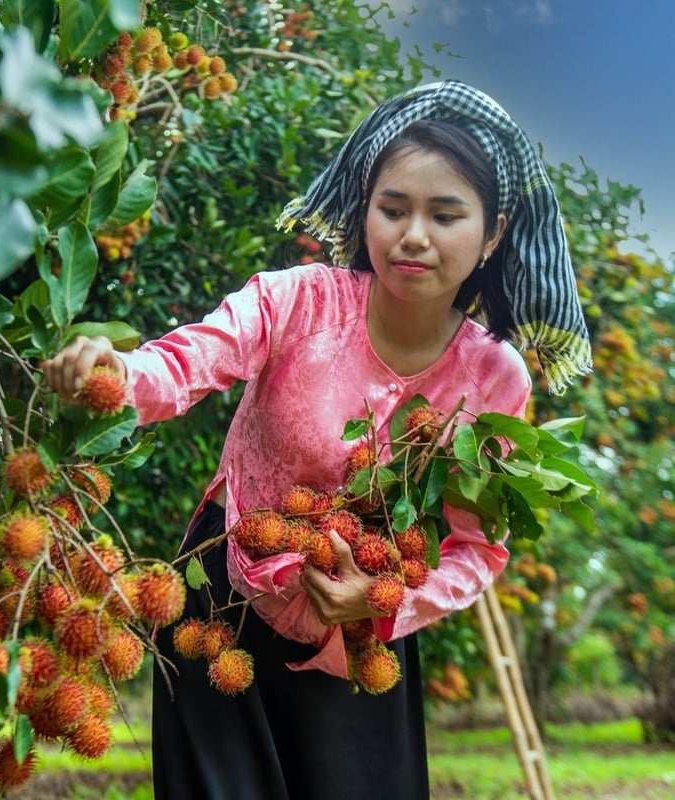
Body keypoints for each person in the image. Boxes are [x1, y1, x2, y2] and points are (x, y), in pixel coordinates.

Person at [40, 80, 592, 799]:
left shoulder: (494, 379)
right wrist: (117, 370)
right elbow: (184, 362)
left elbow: (476, 546)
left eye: (444, 215)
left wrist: (383, 602)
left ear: (492, 232)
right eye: (392, 209)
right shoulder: (296, 300)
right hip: (224, 601)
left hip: (361, 638)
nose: (413, 235)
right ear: (365, 212)